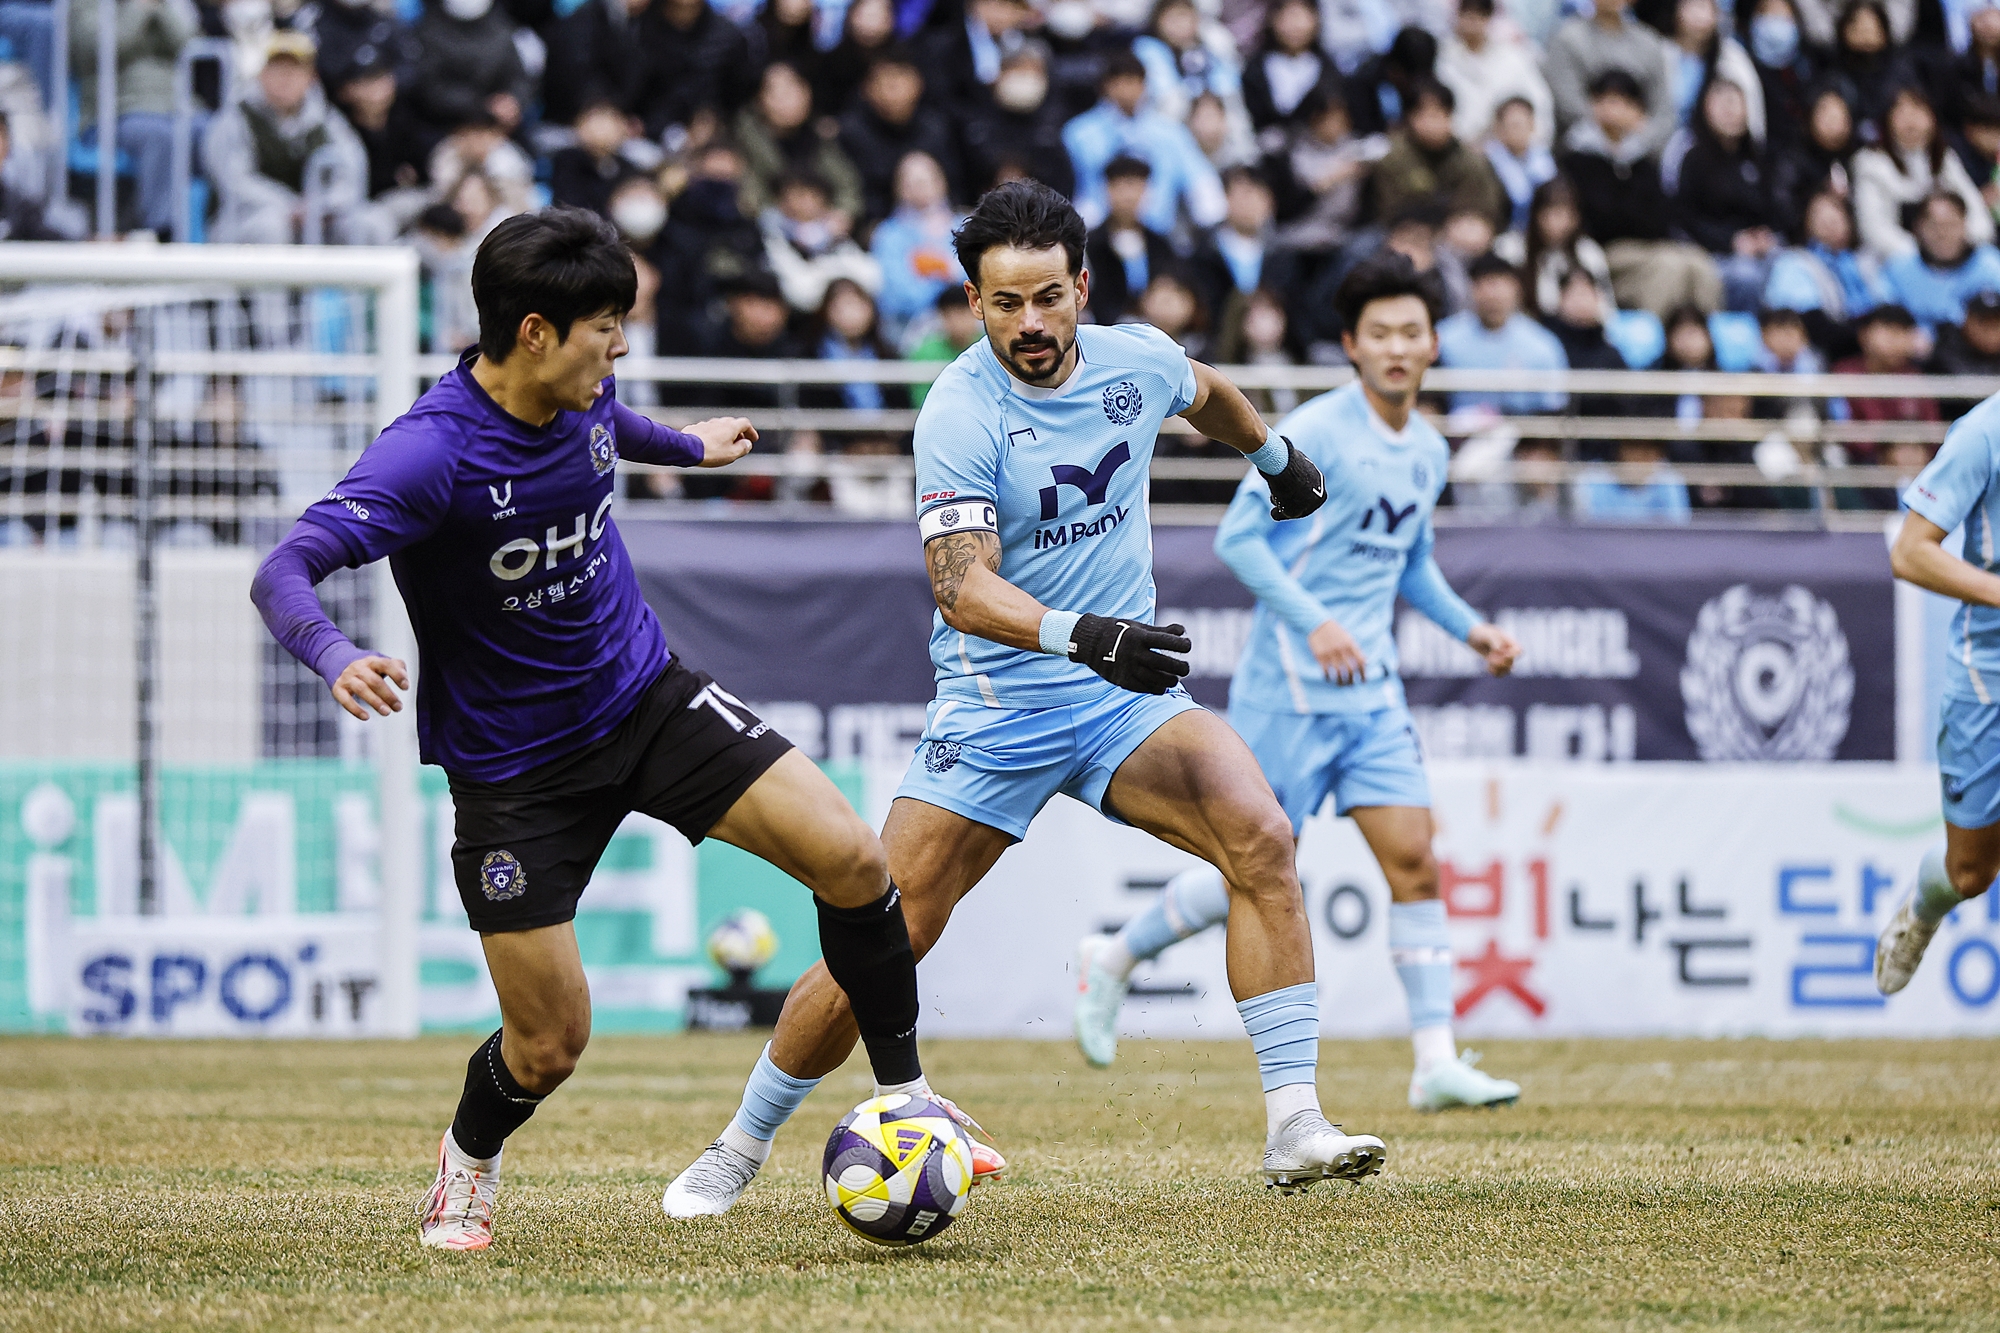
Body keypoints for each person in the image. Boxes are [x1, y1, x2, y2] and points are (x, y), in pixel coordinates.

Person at [662, 179, 1384, 1215]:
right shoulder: (959, 411)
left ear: (1081, 289)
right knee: (886, 928)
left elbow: (1205, 389)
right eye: (1006, 303)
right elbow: (962, 588)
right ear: (974, 303)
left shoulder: (1135, 361)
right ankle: (738, 1145)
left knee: (1261, 836)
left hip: (1124, 700)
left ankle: (1295, 1123)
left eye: (1048, 298)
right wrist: (1091, 635)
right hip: (1000, 707)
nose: (1030, 323)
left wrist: (1275, 458)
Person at [248, 210, 934, 1251]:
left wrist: (689, 447)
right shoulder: (428, 455)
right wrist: (335, 653)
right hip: (515, 774)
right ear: (534, 333)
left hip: (646, 698)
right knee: (549, 1045)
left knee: (852, 859)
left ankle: (908, 1100)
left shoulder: (584, 391)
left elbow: (614, 426)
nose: (619, 348)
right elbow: (284, 566)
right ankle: (468, 1162)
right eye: (605, 328)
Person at [1071, 250, 1526, 1114]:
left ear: (1434, 344)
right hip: (1290, 687)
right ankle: (1119, 953)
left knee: (1415, 860)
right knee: (1257, 863)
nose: (1397, 348)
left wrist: (1473, 630)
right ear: (1352, 344)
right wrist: (1316, 620)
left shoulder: (1430, 449)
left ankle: (1434, 1061)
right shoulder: (1317, 430)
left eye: (1412, 332)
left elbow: (1411, 562)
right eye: (1380, 333)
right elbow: (1239, 541)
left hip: (1373, 693)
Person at [1879, 384, 2000, 997]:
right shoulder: (1983, 434)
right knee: (1971, 871)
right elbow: (1910, 554)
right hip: (1989, 672)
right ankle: (1923, 909)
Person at [1561, 69, 1723, 315]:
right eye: (1608, 100)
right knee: (1668, 266)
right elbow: (1600, 218)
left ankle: (1700, 333)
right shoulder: (1577, 159)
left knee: (1699, 263)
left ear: (1638, 111)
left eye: (1624, 103)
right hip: (1606, 250)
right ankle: (1655, 332)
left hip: (1651, 248)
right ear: (1594, 105)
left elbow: (1661, 217)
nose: (1615, 110)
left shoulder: (1643, 162)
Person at [203, 31, 381, 245]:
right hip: (246, 219)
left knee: (370, 224)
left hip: (317, 220)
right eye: (278, 70)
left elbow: (351, 173)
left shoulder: (327, 120)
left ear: (311, 77)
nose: (286, 79)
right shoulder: (236, 118)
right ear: (262, 74)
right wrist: (290, 208)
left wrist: (323, 206)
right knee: (271, 227)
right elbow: (235, 182)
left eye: (294, 71)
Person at [1064, 49, 1227, 234]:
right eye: (1120, 82)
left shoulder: (1170, 133)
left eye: (1133, 81)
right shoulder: (1078, 133)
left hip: (1158, 235)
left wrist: (1213, 232)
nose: (1127, 90)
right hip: (1094, 234)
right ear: (1106, 86)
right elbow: (1067, 191)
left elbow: (1201, 183)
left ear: (1144, 85)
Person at [68, 0, 194, 237]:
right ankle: (162, 233)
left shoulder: (165, 4)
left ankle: (228, 234)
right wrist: (139, 8)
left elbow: (189, 44)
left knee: (218, 132)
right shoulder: (86, 4)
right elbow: (100, 46)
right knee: (160, 136)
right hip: (114, 112)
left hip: (175, 107)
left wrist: (160, 8)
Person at [1853, 85, 1994, 261]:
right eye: (1901, 113)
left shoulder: (1945, 158)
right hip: (1898, 260)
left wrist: (1958, 246)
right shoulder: (1871, 163)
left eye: (1917, 111)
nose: (1910, 121)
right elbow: (1875, 232)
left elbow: (1977, 213)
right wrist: (1928, 256)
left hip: (1953, 256)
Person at [1437, 252, 1571, 413]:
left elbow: (1554, 407)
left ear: (1516, 289)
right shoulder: (1445, 338)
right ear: (1471, 289)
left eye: (1499, 285)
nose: (1492, 296)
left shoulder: (1542, 345)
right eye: (1483, 285)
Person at [838, 54, 962, 226]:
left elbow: (956, 187)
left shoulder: (937, 127)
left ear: (918, 82)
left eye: (898, 80)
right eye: (884, 82)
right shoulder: (851, 133)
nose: (892, 91)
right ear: (866, 89)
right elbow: (854, 194)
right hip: (877, 226)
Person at [1372, 79, 1510, 231]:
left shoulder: (1470, 161)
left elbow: (1486, 210)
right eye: (1423, 115)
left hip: (1457, 233)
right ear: (1409, 118)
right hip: (1404, 232)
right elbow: (1388, 211)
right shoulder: (1392, 157)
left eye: (1438, 114)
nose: (1431, 124)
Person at [1543, 0, 1679, 155]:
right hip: (1580, 151)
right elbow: (1567, 103)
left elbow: (1663, 112)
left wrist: (1640, 135)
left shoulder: (1649, 42)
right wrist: (1608, 121)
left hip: (1642, 152)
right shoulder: (1568, 39)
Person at [870, 152, 968, 339]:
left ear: (942, 182)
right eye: (912, 183)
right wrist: (946, 279)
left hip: (968, 323)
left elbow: (976, 279)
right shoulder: (888, 235)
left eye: (926, 181)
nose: (920, 188)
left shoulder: (965, 227)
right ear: (899, 189)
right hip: (909, 331)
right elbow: (894, 297)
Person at [1439, 0, 1555, 153]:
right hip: (1458, 151)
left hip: (1512, 151)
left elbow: (1540, 105)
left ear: (1490, 17)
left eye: (1480, 14)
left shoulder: (1513, 57)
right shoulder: (1442, 59)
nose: (1473, 20)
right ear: (1457, 14)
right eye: (1468, 13)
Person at [1884, 191, 2000, 332]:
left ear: (1964, 224)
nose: (1942, 234)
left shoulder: (1991, 264)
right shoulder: (1899, 269)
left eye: (1950, 225)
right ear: (1917, 228)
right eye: (1934, 226)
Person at [1084, 155, 1179, 326]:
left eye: (1135, 186)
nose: (1128, 196)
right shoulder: (1091, 244)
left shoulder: (1161, 244)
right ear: (1107, 189)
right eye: (1121, 187)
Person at [1240, 0, 1337, 132]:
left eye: (1301, 17)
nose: (1295, 26)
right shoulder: (1255, 70)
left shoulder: (1328, 69)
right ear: (1273, 20)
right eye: (1289, 16)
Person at [1485, 95, 1557, 233]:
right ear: (1499, 129)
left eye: (1524, 124)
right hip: (1504, 230)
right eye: (1514, 125)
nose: (1519, 130)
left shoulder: (1544, 158)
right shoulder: (1487, 162)